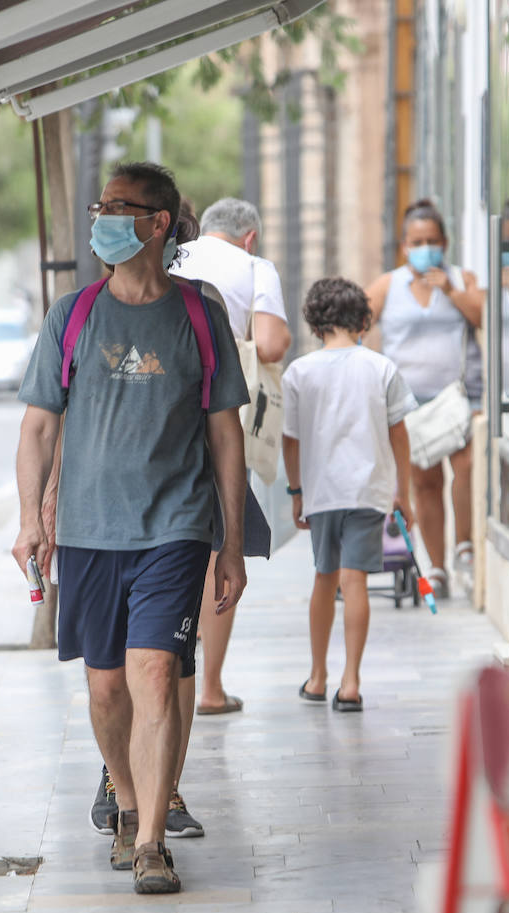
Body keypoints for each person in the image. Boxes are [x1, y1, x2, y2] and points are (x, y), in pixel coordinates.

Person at [13, 162, 250, 895]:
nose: (102, 218)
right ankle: (122, 794)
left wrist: (230, 543)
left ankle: (150, 839)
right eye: (99, 205)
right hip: (88, 530)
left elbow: (226, 436)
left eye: (119, 206)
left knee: (153, 673)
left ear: (158, 222)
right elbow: (38, 427)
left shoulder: (199, 316)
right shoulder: (73, 314)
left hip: (174, 526)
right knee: (106, 688)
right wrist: (29, 518)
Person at [170, 197, 290, 717]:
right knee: (222, 547)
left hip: (163, 422)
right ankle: (210, 688)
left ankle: (165, 663)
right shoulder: (254, 267)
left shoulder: (174, 258)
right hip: (220, 420)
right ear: (250, 237)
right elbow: (270, 343)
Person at [281, 277, 416, 711]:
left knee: (325, 577)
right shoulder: (381, 368)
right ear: (363, 320)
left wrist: (297, 491)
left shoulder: (299, 371)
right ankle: (352, 681)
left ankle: (317, 677)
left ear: (315, 323)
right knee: (354, 580)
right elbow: (400, 437)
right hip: (369, 491)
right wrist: (403, 494)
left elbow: (290, 439)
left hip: (322, 491)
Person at [365, 198, 485, 598]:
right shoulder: (389, 284)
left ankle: (464, 545)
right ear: (404, 246)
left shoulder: (460, 279)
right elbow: (355, 320)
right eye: (417, 241)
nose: (425, 247)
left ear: (445, 242)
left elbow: (480, 316)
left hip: (455, 397)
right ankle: (437, 569)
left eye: (432, 240)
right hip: (409, 403)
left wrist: (450, 289)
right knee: (425, 482)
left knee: (465, 466)